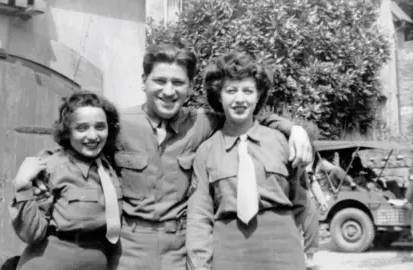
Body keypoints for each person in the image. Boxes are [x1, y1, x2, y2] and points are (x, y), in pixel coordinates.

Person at [33, 43, 313, 270]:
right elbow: (77, 146)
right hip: (129, 249)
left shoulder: (203, 123)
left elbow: (245, 115)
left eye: (178, 82)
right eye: (160, 81)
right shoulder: (118, 122)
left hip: (178, 249)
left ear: (190, 87)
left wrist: (293, 128)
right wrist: (35, 173)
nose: (169, 91)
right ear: (144, 81)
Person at [186, 51, 307, 270]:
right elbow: (199, 217)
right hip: (229, 253)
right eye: (231, 90)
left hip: (282, 251)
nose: (240, 99)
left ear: (259, 95)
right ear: (219, 95)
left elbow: (301, 202)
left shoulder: (281, 140)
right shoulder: (207, 150)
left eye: (248, 91)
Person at [9, 92, 122, 270]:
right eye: (82, 128)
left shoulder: (109, 168)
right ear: (67, 131)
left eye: (100, 127)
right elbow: (31, 233)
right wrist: (22, 185)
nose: (93, 136)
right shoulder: (51, 167)